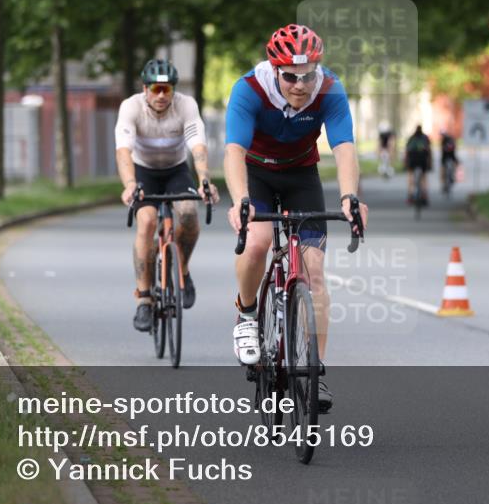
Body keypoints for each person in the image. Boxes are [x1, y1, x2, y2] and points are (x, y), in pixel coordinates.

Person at [224, 23, 368, 413]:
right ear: (275, 69)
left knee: (315, 271)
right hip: (256, 172)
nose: (300, 85)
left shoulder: (330, 89)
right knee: (257, 242)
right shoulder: (250, 89)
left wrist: (350, 196)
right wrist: (240, 200)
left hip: (301, 174)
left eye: (307, 75)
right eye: (290, 76)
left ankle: (315, 371)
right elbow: (234, 151)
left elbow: (344, 146)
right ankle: (247, 313)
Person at [115, 58, 219, 333]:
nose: (161, 95)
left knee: (187, 213)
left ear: (174, 90)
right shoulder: (130, 107)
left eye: (167, 90)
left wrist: (204, 179)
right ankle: (144, 298)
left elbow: (197, 144)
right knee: (147, 222)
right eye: (155, 89)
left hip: (176, 170)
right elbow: (123, 150)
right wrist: (129, 184)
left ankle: (182, 271)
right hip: (143, 172)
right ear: (144, 88)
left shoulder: (186, 105)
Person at [404, 125, 432, 204]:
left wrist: (406, 162)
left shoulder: (411, 138)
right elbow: (429, 151)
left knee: (410, 176)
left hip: (412, 159)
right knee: (424, 177)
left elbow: (407, 151)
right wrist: (430, 162)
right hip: (423, 160)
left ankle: (410, 195)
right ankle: (424, 194)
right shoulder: (425, 138)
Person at [439, 128, 459, 193]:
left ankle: (443, 182)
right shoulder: (451, 139)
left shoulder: (443, 140)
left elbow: (442, 150)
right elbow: (455, 148)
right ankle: (452, 176)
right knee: (455, 165)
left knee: (443, 169)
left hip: (445, 157)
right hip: (452, 156)